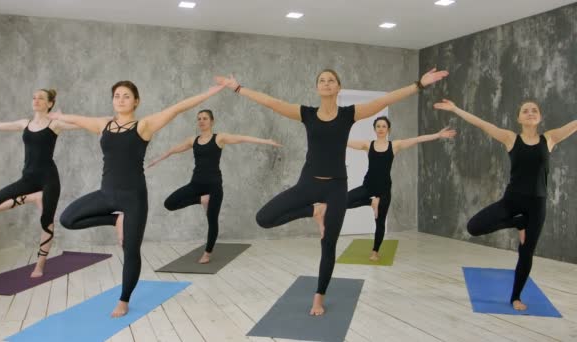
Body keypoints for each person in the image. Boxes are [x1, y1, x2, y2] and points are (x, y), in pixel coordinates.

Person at [216, 67, 448, 315]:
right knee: (264, 218)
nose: (326, 83)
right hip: (308, 184)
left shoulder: (350, 114)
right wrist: (239, 88)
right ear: (317, 88)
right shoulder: (306, 114)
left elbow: (384, 100)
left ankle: (319, 297)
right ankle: (314, 210)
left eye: (331, 80)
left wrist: (419, 85)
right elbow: (273, 103)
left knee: (329, 245)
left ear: (338, 87)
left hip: (336, 188)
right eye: (322, 80)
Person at [53, 81, 224, 317]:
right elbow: (78, 120)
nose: (120, 100)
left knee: (131, 250)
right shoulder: (104, 124)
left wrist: (210, 91)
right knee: (67, 219)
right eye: (116, 96)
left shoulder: (143, 125)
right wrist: (61, 116)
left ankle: (123, 300)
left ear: (136, 101)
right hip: (106, 193)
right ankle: (115, 221)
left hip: (133, 197)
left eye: (126, 96)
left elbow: (176, 108)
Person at [434, 98, 576, 310]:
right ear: (519, 118)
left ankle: (516, 297)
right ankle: (518, 223)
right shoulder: (511, 138)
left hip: (537, 205)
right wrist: (455, 109)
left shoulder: (549, 139)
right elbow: (482, 124)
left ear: (539, 117)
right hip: (512, 200)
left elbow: (574, 124)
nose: (530, 113)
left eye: (534, 110)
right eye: (525, 110)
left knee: (526, 252)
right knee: (474, 227)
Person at [148, 109, 281, 264]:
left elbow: (242, 138)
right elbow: (173, 150)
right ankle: (202, 199)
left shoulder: (220, 138)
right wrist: (157, 160)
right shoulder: (193, 140)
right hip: (196, 184)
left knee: (212, 220)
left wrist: (267, 141)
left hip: (214, 186)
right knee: (169, 203)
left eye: (205, 118)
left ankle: (207, 253)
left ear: (212, 121)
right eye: (199, 119)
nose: (201, 121)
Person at [0, 88, 77, 277]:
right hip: (28, 179)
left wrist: (114, 119)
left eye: (41, 98)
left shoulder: (55, 124)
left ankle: (40, 266)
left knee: (46, 222)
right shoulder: (24, 123)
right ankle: (34, 198)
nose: (36, 100)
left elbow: (83, 124)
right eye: (34, 97)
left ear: (49, 103)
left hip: (48, 179)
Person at [316, 117, 456, 261]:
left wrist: (438, 135)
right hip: (368, 186)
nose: (381, 129)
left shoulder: (394, 145)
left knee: (380, 222)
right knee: (343, 202)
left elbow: (417, 139)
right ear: (374, 129)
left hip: (383, 190)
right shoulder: (368, 145)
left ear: (388, 129)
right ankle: (371, 202)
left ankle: (375, 251)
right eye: (378, 126)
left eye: (384, 126)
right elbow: (344, 142)